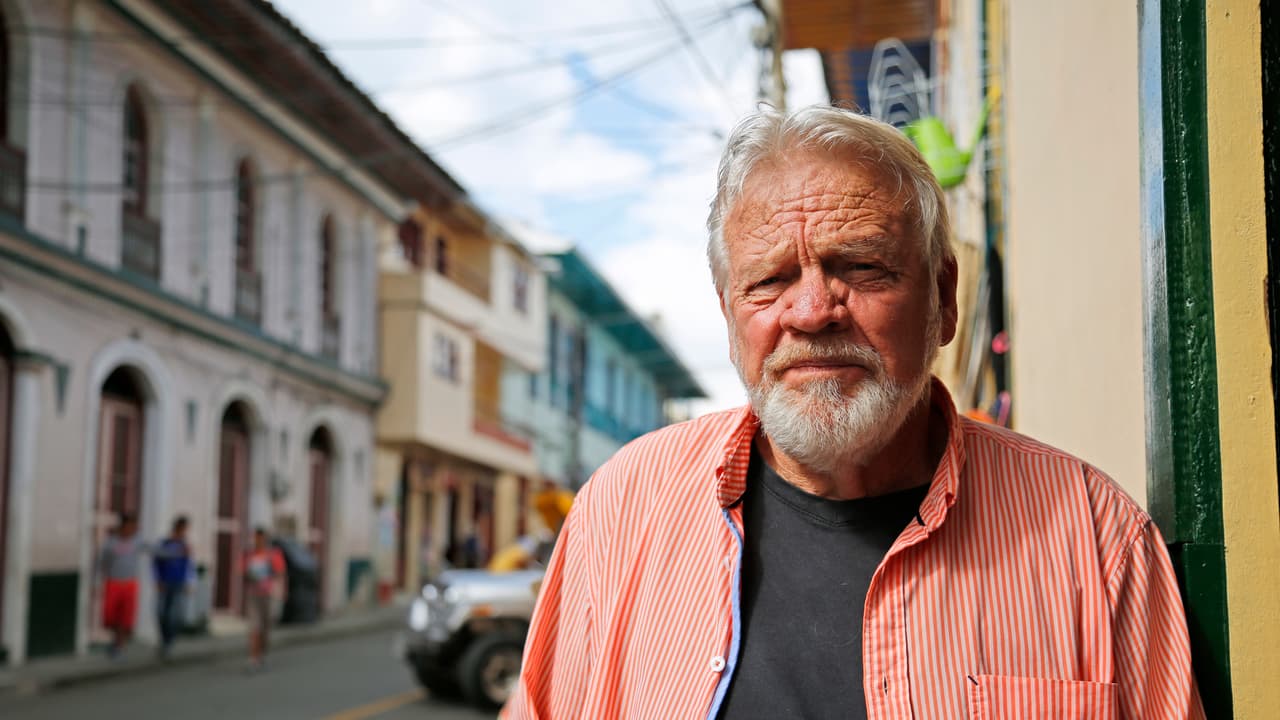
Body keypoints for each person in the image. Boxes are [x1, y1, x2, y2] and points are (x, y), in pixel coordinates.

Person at [505, 106, 1205, 719]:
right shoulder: (621, 512)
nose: (812, 312)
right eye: (770, 281)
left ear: (944, 298)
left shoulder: (1095, 537)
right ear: (729, 318)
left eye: (863, 268)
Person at [98, 513, 146, 659]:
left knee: (125, 618)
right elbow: (102, 562)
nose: (133, 529)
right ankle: (115, 640)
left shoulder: (137, 541)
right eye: (130, 526)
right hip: (113, 582)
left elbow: (155, 550)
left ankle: (119, 645)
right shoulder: (111, 543)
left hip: (130, 583)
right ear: (123, 526)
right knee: (111, 616)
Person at [244, 527, 285, 673]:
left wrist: (280, 592)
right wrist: (249, 575)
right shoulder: (250, 554)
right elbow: (243, 571)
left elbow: (280, 573)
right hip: (253, 595)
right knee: (254, 626)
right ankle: (253, 658)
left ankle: (262, 652)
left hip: (268, 595)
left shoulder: (273, 555)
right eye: (255, 538)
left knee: (265, 628)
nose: (257, 541)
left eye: (260, 538)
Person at [152, 515, 192, 659]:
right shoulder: (165, 543)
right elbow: (156, 562)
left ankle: (169, 642)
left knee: (175, 616)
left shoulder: (184, 545)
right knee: (162, 613)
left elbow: (188, 565)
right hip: (165, 583)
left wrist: (188, 582)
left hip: (178, 583)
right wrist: (157, 580)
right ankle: (164, 640)